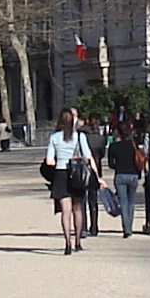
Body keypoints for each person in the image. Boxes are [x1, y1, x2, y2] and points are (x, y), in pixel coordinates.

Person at [44, 108, 95, 254]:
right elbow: (88, 156)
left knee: (65, 211)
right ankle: (78, 241)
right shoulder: (79, 136)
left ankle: (67, 242)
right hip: (76, 173)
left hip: (61, 174)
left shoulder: (54, 137)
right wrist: (96, 176)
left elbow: (49, 160)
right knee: (77, 208)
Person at [105, 123, 145, 238]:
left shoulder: (114, 146)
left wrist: (118, 166)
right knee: (131, 202)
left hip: (120, 175)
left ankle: (126, 228)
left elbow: (111, 164)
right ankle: (130, 227)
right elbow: (139, 159)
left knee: (123, 201)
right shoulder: (133, 145)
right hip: (133, 175)